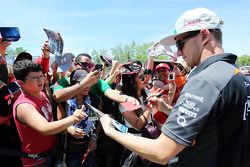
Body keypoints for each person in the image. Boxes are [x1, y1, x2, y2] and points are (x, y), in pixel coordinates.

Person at [100, 7, 250, 167]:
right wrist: (167, 109)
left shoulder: (205, 80)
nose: (178, 53)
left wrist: (111, 131)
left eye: (180, 44)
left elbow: (161, 152)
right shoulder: (236, 75)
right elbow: (210, 121)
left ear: (204, 36)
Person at [12, 60, 86, 166]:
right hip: (37, 160)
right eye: (34, 78)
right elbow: (45, 128)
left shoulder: (41, 94)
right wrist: (72, 119)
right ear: (20, 82)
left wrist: (67, 128)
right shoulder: (24, 105)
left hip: (51, 152)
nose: (40, 80)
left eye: (41, 76)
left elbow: (51, 119)